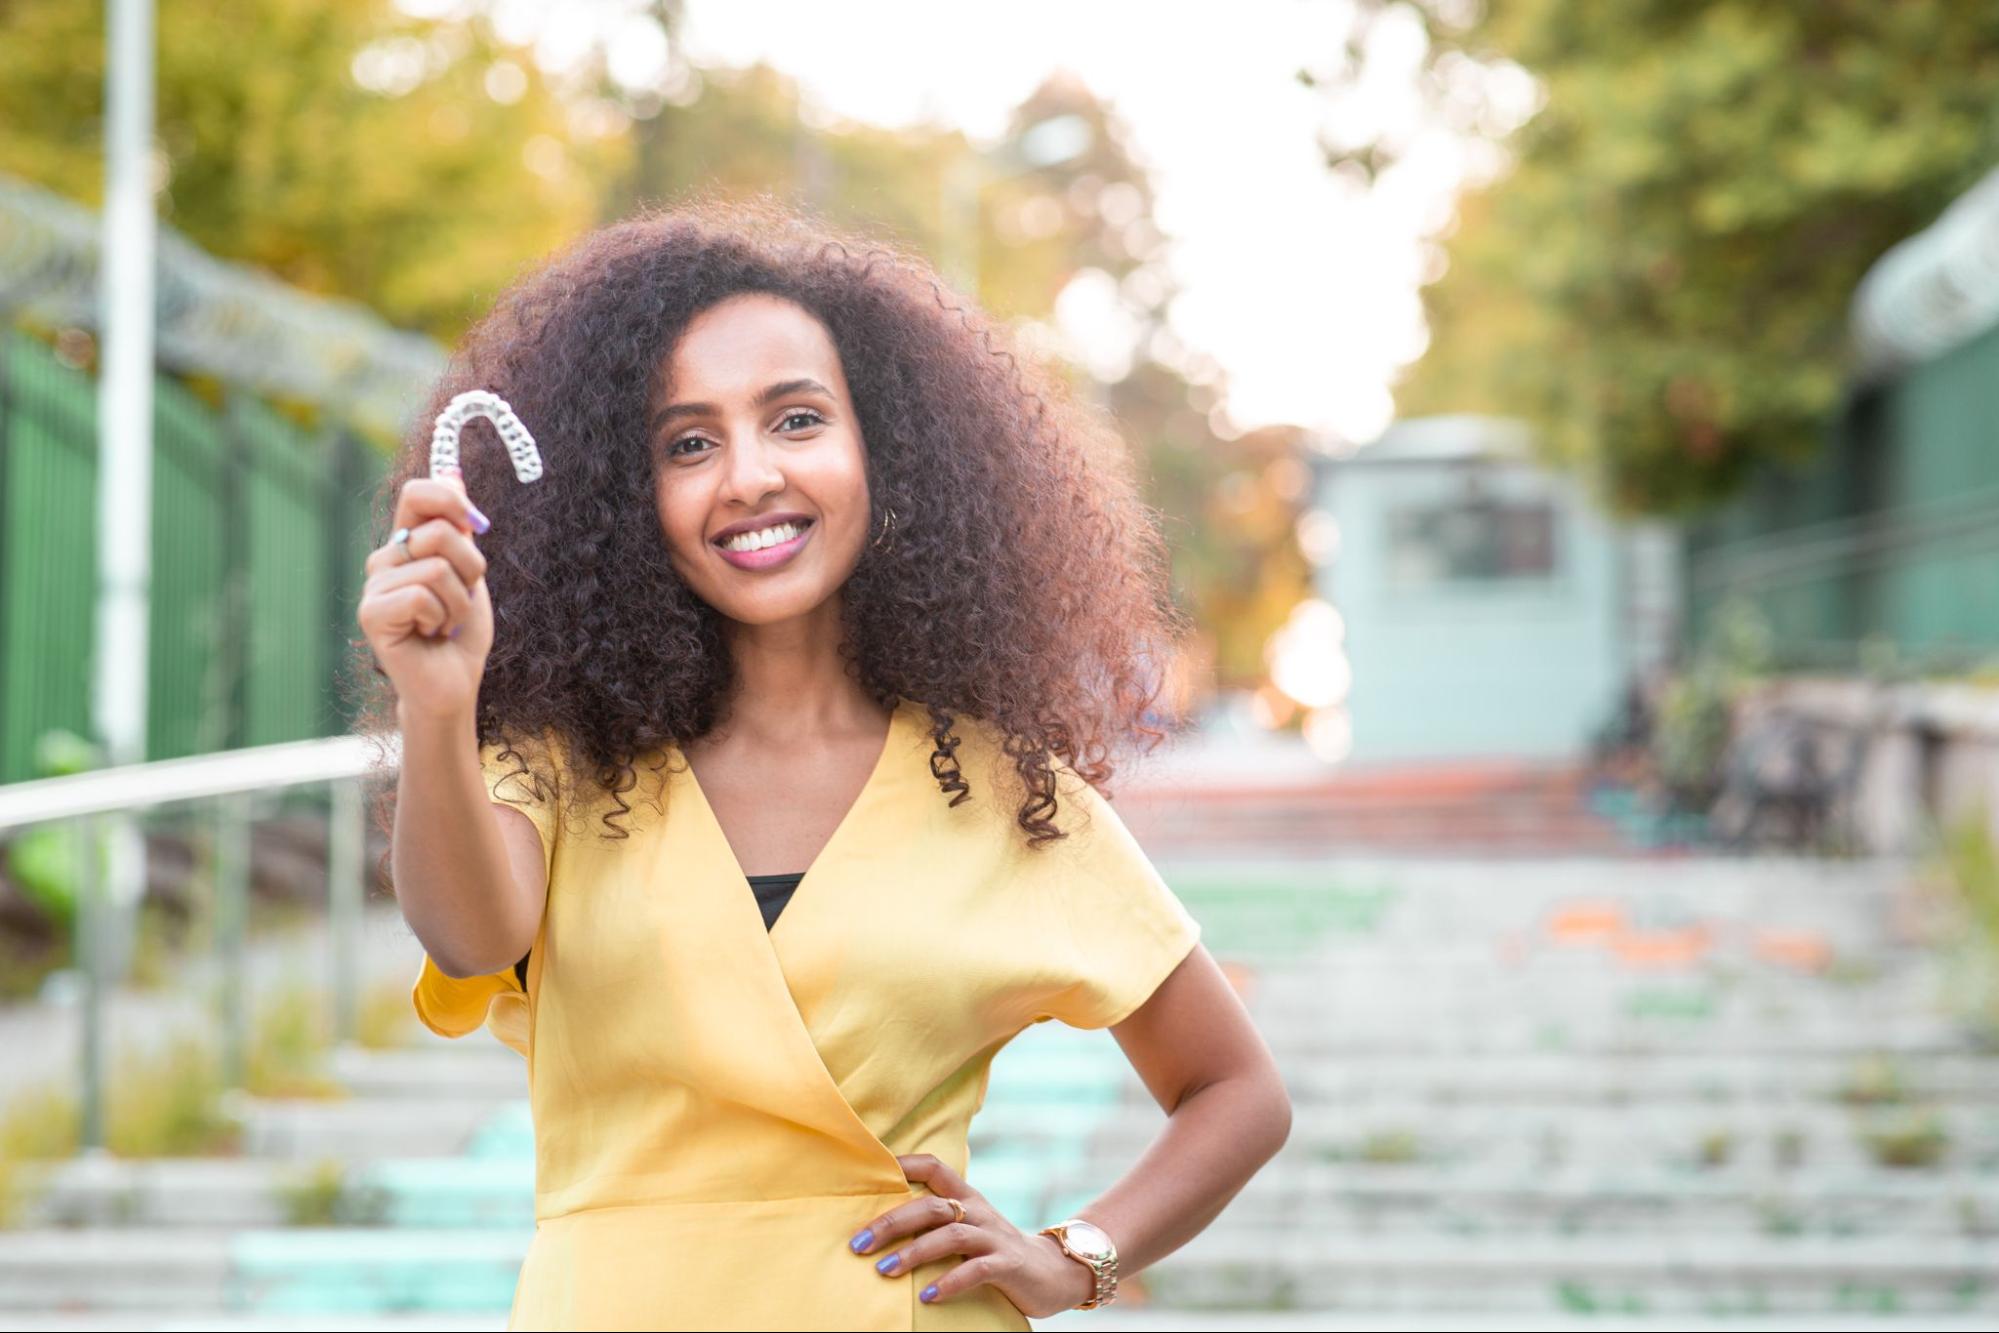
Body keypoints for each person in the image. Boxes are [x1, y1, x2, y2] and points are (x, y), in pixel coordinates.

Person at [353, 194, 1291, 1331]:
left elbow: (1236, 1091)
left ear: (883, 452)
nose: (746, 475)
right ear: (625, 495)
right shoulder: (562, 765)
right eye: (687, 443)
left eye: (796, 420)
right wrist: (439, 705)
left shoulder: (999, 790)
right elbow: (467, 935)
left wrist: (1073, 1256)